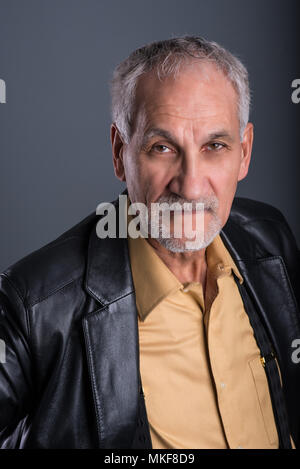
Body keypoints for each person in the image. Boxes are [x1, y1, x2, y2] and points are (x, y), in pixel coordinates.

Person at [0, 36, 299, 450]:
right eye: (162, 148)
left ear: (244, 153)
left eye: (215, 146)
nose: (191, 186)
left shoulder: (271, 240)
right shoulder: (37, 305)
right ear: (121, 152)